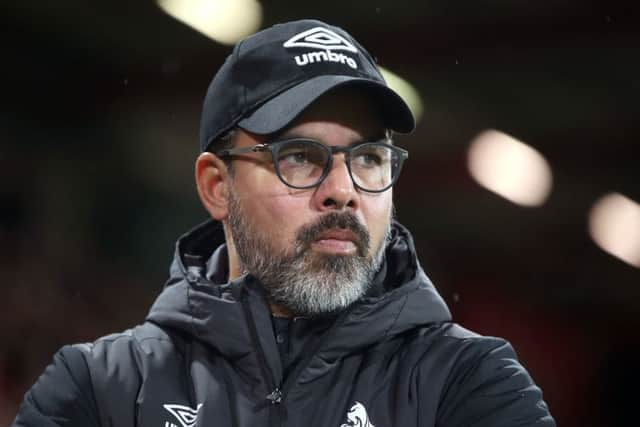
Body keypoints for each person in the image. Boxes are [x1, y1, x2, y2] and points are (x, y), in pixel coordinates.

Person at [13, 19, 555, 427]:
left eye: (368, 157)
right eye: (299, 156)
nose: (343, 191)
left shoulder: (468, 383)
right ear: (216, 186)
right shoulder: (101, 390)